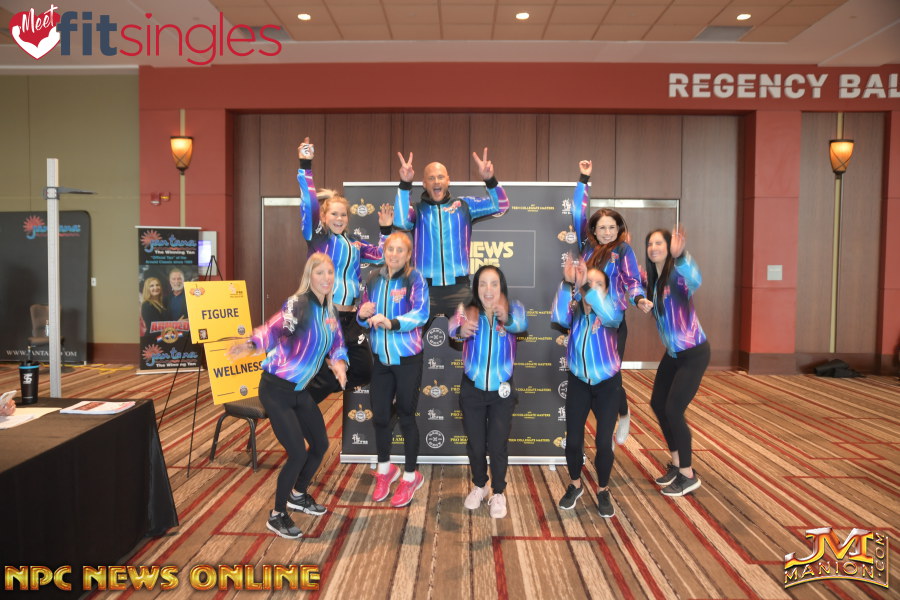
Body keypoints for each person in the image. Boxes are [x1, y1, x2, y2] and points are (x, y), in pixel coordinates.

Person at [228, 253, 348, 538]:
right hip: (276, 390)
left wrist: (340, 363)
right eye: (320, 273)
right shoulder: (299, 304)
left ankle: (298, 494)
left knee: (320, 445)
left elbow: (338, 344)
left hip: (299, 391)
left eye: (330, 272)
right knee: (297, 454)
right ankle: (277, 515)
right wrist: (252, 344)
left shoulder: (329, 311)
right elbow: (275, 328)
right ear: (309, 276)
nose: (326, 278)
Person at [296, 137, 393, 404]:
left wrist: (385, 229)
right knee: (318, 367)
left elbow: (382, 255)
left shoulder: (355, 244)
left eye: (343, 215)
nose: (339, 219)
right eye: (334, 214)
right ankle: (300, 402)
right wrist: (305, 165)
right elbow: (308, 203)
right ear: (324, 217)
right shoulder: (318, 239)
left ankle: (305, 397)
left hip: (352, 318)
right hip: (326, 315)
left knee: (364, 370)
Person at [573, 160, 653, 446]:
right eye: (601, 227)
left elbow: (632, 280)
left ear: (618, 228)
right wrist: (583, 180)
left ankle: (623, 413)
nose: (607, 232)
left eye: (611, 227)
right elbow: (577, 213)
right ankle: (603, 420)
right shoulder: (586, 247)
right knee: (585, 374)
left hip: (611, 323)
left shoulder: (623, 250)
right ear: (594, 230)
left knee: (611, 374)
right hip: (583, 319)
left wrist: (639, 298)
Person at [394, 149, 509, 325]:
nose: (436, 181)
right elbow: (400, 221)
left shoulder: (464, 206)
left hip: (459, 291)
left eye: (440, 177)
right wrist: (405, 184)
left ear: (448, 180)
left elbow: (501, 205)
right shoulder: (417, 210)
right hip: (424, 290)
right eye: (431, 178)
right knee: (411, 339)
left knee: (470, 337)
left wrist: (490, 180)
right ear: (424, 183)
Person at [357, 232, 430, 507]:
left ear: (408, 255)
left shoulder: (415, 278)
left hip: (408, 359)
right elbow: (362, 316)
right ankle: (385, 470)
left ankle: (410, 476)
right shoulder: (372, 278)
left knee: (407, 417)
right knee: (380, 418)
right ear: (384, 252)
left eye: (400, 250)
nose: (394, 254)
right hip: (381, 361)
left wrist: (393, 323)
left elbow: (421, 313)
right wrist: (361, 315)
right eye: (390, 249)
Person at [448, 266, 527, 519]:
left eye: (494, 283)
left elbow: (522, 325)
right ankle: (480, 485)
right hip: (472, 390)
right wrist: (460, 331)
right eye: (483, 283)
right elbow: (453, 328)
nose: (488, 289)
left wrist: (508, 319)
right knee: (475, 443)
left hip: (501, 392)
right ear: (476, 288)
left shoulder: (514, 309)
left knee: (497, 444)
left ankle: (499, 492)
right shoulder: (467, 310)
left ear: (501, 286)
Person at [551, 258, 624, 517]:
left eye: (598, 284)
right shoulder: (575, 311)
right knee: (573, 440)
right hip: (578, 384)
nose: (592, 287)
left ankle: (603, 489)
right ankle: (575, 484)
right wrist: (567, 283)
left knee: (604, 442)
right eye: (588, 282)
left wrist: (586, 288)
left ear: (606, 290)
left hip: (607, 386)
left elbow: (611, 317)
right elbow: (557, 316)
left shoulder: (612, 310)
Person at [645, 226, 709, 497]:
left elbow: (696, 279)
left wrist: (681, 256)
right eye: (650, 244)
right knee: (658, 404)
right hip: (673, 355)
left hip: (693, 353)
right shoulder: (656, 281)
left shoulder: (678, 276)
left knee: (673, 409)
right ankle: (677, 462)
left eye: (659, 243)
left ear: (669, 247)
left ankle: (688, 474)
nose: (654, 248)